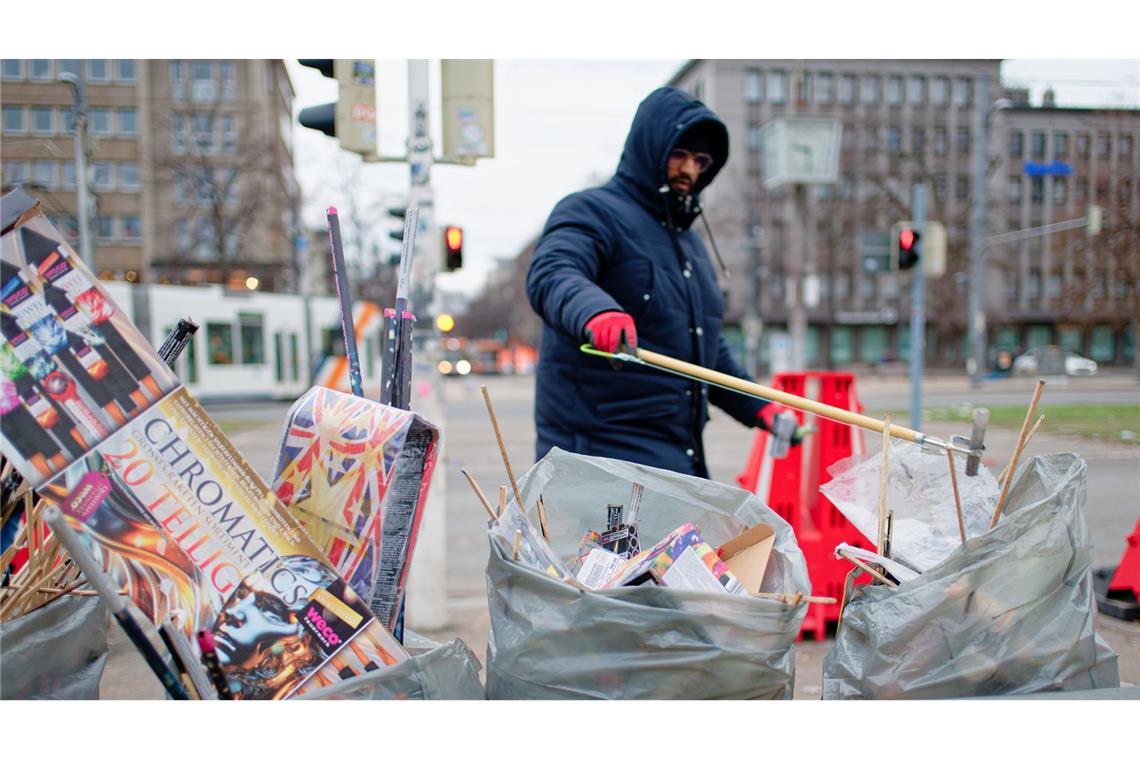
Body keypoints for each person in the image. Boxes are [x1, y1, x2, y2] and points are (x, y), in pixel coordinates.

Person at [527, 86, 799, 478]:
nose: (689, 170)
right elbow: (553, 271)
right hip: (598, 462)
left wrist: (757, 404)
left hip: (677, 462)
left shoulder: (690, 245)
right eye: (679, 155)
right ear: (650, 148)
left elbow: (703, 349)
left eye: (701, 160)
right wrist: (597, 311)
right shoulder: (592, 211)